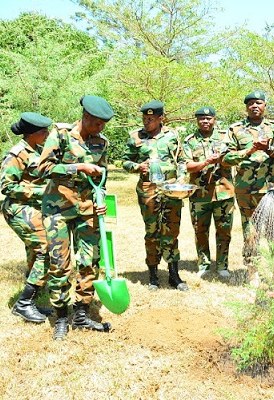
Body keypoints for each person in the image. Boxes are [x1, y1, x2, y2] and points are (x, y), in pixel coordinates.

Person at [38, 95, 114, 340]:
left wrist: (101, 199)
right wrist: (77, 167)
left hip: (87, 208)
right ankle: (61, 316)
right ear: (85, 116)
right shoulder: (61, 135)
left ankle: (81, 313)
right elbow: (43, 169)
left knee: (90, 260)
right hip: (57, 209)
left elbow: (102, 177)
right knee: (60, 264)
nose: (100, 128)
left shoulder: (102, 142)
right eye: (97, 123)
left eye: (103, 124)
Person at [222, 91, 274, 281]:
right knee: (250, 232)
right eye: (251, 103)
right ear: (246, 107)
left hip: (272, 188)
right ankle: (253, 273)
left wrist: (269, 149)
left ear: (265, 106)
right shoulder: (235, 129)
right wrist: (250, 150)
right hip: (246, 190)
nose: (255, 106)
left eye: (258, 103)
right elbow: (226, 158)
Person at [122, 100, 188, 292]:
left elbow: (182, 160)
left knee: (171, 231)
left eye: (150, 119)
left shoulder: (172, 135)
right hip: (148, 189)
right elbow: (124, 161)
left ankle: (174, 275)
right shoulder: (135, 137)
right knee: (152, 232)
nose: (146, 122)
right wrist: (137, 167)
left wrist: (182, 177)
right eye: (144, 118)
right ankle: (153, 275)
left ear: (161, 118)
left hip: (171, 189)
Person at [1, 112, 53, 323]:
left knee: (35, 252)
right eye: (43, 131)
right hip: (18, 208)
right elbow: (7, 187)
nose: (47, 134)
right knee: (45, 249)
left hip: (33, 208)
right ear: (31, 134)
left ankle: (32, 300)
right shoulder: (16, 154)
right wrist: (42, 191)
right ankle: (23, 303)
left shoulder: (38, 150)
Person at [183, 106, 235, 278]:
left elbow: (234, 158)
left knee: (224, 231)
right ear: (197, 121)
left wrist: (222, 159)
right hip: (200, 195)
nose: (205, 121)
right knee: (200, 231)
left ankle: (222, 265)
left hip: (224, 193)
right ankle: (204, 264)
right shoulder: (190, 141)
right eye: (201, 118)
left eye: (208, 118)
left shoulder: (226, 138)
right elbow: (187, 166)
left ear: (214, 119)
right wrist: (205, 162)